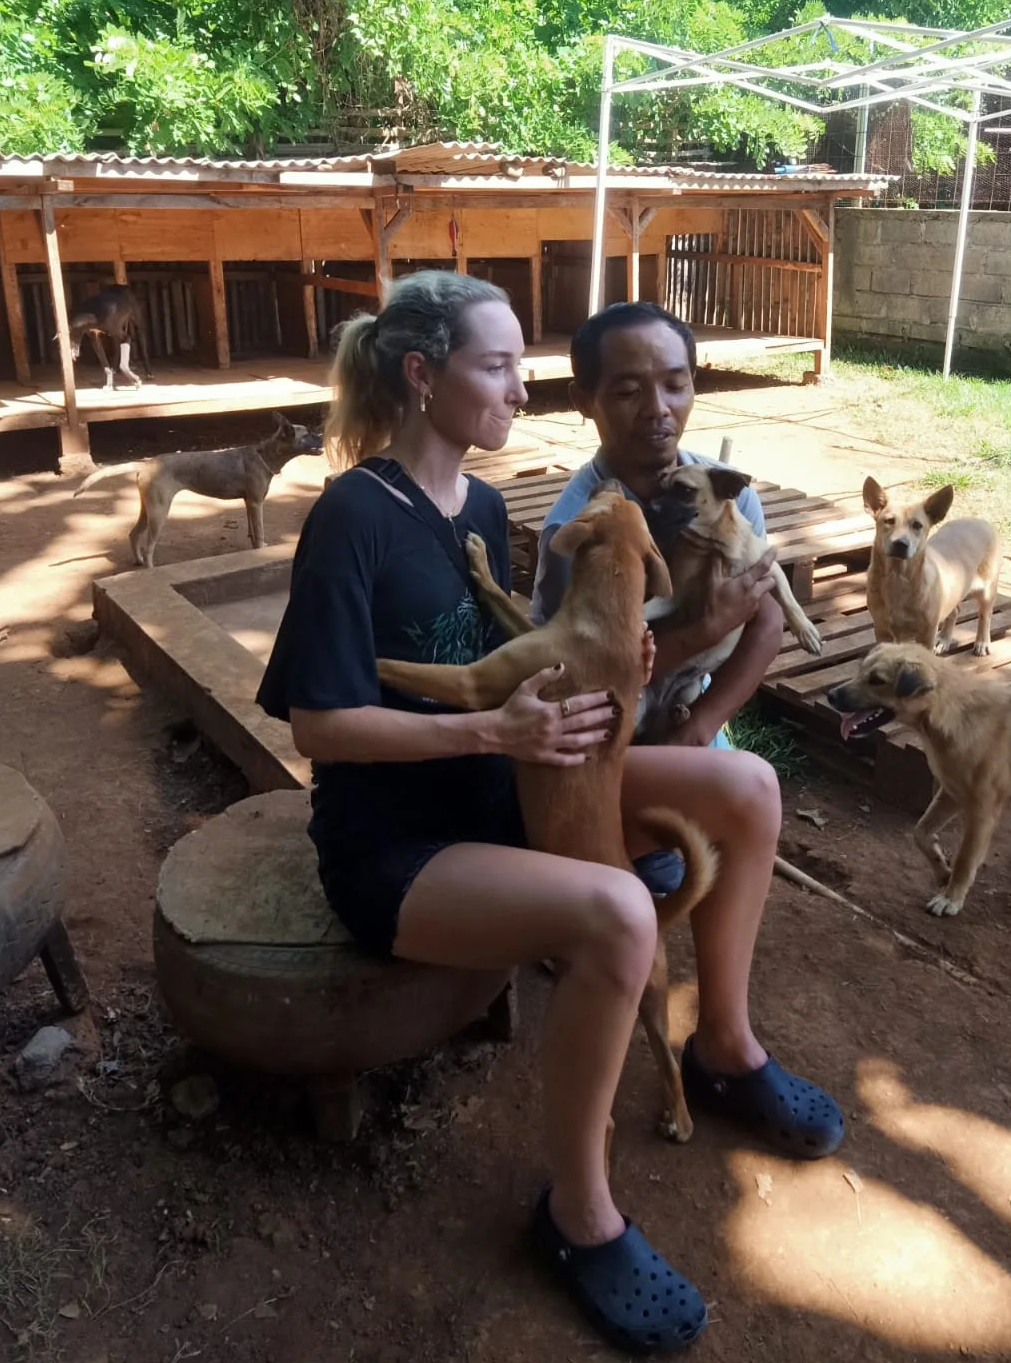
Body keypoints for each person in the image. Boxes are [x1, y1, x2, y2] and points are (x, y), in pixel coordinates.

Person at [256, 273, 843, 1356]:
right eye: (498, 365)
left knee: (749, 787)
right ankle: (577, 1211)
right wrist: (490, 734)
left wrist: (625, 655)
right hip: (399, 844)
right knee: (619, 914)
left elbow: (532, 657)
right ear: (423, 378)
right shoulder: (352, 516)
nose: (522, 389)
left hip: (510, 786)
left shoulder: (479, 507)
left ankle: (723, 1043)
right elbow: (320, 724)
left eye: (522, 366)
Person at [531, 302, 784, 753]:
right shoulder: (577, 532)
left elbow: (767, 621)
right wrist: (701, 632)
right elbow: (578, 669)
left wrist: (699, 727)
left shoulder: (728, 497)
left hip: (688, 713)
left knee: (733, 800)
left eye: (674, 384)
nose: (657, 409)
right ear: (584, 401)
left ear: (694, 385)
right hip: (600, 727)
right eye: (628, 391)